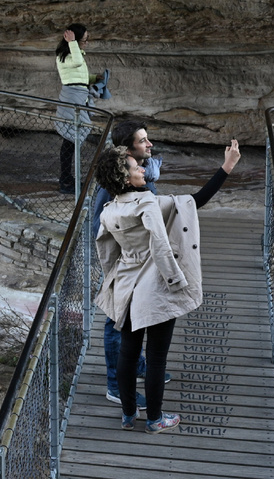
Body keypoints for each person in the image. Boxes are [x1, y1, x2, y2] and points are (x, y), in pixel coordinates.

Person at [94, 139, 242, 434]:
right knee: (158, 357)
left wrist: (114, 278)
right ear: (126, 177)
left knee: (128, 353)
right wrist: (177, 281)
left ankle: (127, 415)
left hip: (126, 287)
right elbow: (175, 226)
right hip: (156, 287)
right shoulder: (148, 202)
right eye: (137, 167)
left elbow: (105, 251)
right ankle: (155, 419)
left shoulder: (109, 210)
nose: (143, 168)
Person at [91, 121, 168, 407]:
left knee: (129, 317)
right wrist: (119, 265)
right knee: (116, 321)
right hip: (124, 264)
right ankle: (115, 385)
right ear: (128, 148)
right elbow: (100, 228)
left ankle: (137, 367)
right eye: (143, 140)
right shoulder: (114, 182)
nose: (150, 144)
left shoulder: (139, 172)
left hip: (139, 261)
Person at [54, 24, 96, 193]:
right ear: (74, 40)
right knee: (70, 140)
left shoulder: (73, 54)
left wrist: (95, 78)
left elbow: (80, 77)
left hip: (78, 97)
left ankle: (67, 178)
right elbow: (77, 63)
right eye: (84, 40)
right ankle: (65, 180)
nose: (86, 43)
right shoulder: (64, 55)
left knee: (71, 141)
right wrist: (72, 42)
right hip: (72, 99)